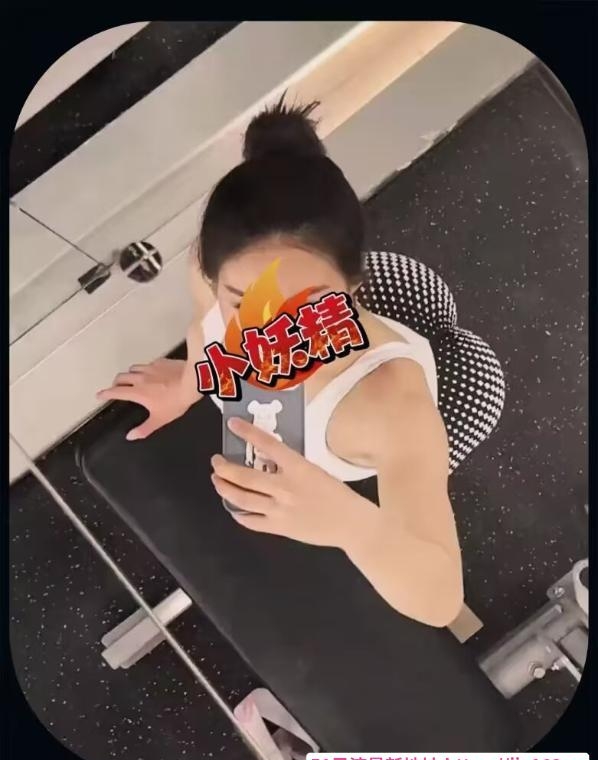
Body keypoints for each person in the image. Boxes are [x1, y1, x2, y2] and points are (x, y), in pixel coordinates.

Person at [97, 99, 464, 628]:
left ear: (353, 288)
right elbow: (205, 329)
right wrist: (187, 384)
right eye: (243, 303)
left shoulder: (392, 406)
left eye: (305, 306)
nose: (270, 337)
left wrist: (349, 522)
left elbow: (439, 596)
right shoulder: (206, 268)